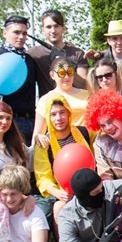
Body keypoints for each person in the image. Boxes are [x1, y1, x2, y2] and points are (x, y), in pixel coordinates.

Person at [34, 95, 95, 223]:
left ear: (68, 114)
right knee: (59, 207)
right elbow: (42, 177)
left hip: (90, 186)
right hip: (63, 193)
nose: (58, 118)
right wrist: (57, 193)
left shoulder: (84, 132)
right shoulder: (44, 143)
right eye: (53, 114)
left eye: (62, 112)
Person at [0, 15, 39, 143]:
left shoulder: (29, 60)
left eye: (24, 33)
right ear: (5, 33)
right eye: (16, 32)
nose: (21, 37)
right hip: (10, 122)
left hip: (32, 121)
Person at [27, 9, 90, 96]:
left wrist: (66, 63)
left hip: (74, 102)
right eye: (48, 27)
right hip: (48, 103)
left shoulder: (77, 53)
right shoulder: (34, 53)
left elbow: (83, 84)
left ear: (63, 28)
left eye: (56, 26)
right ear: (43, 29)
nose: (53, 31)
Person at [86, 90, 122, 180]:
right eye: (103, 125)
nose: (108, 128)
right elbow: (106, 181)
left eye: (110, 121)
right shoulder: (102, 145)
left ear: (120, 115)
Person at [32, 56, 90, 146]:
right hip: (60, 147)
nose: (66, 77)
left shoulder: (87, 94)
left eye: (70, 72)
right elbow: (38, 134)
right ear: (52, 75)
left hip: (88, 143)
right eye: (61, 73)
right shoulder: (45, 99)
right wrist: (38, 140)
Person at [88, 58, 122, 127]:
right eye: (100, 77)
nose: (104, 80)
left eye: (108, 75)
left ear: (116, 75)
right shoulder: (95, 102)